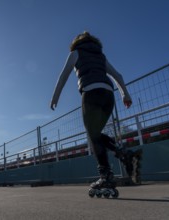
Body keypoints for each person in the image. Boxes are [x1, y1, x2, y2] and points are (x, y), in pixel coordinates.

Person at [50, 31, 134, 189]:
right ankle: (121, 151)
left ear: (76, 43)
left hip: (91, 94)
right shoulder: (100, 56)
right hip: (108, 96)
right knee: (95, 134)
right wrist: (125, 95)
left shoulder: (76, 53)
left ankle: (106, 175)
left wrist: (55, 97)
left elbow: (64, 75)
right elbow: (118, 75)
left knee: (92, 135)